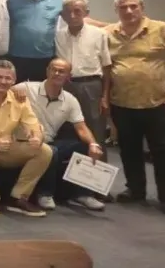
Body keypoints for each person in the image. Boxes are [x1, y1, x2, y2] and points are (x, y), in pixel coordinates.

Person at [104, 0, 165, 214]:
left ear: (142, 8)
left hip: (158, 102)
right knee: (129, 150)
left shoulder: (163, 29)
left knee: (164, 151)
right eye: (123, 7)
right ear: (116, 11)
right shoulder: (108, 33)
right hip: (122, 102)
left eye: (133, 6)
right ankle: (135, 190)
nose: (128, 11)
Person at [0, 60, 52, 218]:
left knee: (44, 150)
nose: (3, 81)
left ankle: (18, 197)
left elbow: (33, 124)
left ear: (14, 81)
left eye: (8, 78)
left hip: (6, 149)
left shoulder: (19, 99)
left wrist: (37, 137)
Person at [18, 59, 105, 212]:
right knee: (51, 151)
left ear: (68, 77)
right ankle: (45, 194)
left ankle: (83, 194)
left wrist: (93, 144)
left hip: (49, 140)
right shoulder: (26, 88)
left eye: (61, 71)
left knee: (84, 146)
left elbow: (81, 128)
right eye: (54, 69)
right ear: (47, 71)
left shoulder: (70, 100)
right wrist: (13, 92)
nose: (57, 73)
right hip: (26, 141)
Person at [56, 0, 112, 145]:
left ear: (86, 13)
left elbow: (107, 66)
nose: (72, 16)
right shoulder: (59, 35)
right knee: (68, 127)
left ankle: (97, 158)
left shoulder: (99, 34)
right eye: (68, 12)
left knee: (95, 127)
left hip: (91, 85)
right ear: (62, 15)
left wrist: (105, 96)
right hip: (66, 85)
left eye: (77, 11)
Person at [6, 0, 63, 82]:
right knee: (15, 91)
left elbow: (76, 16)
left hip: (45, 58)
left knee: (40, 91)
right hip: (17, 57)